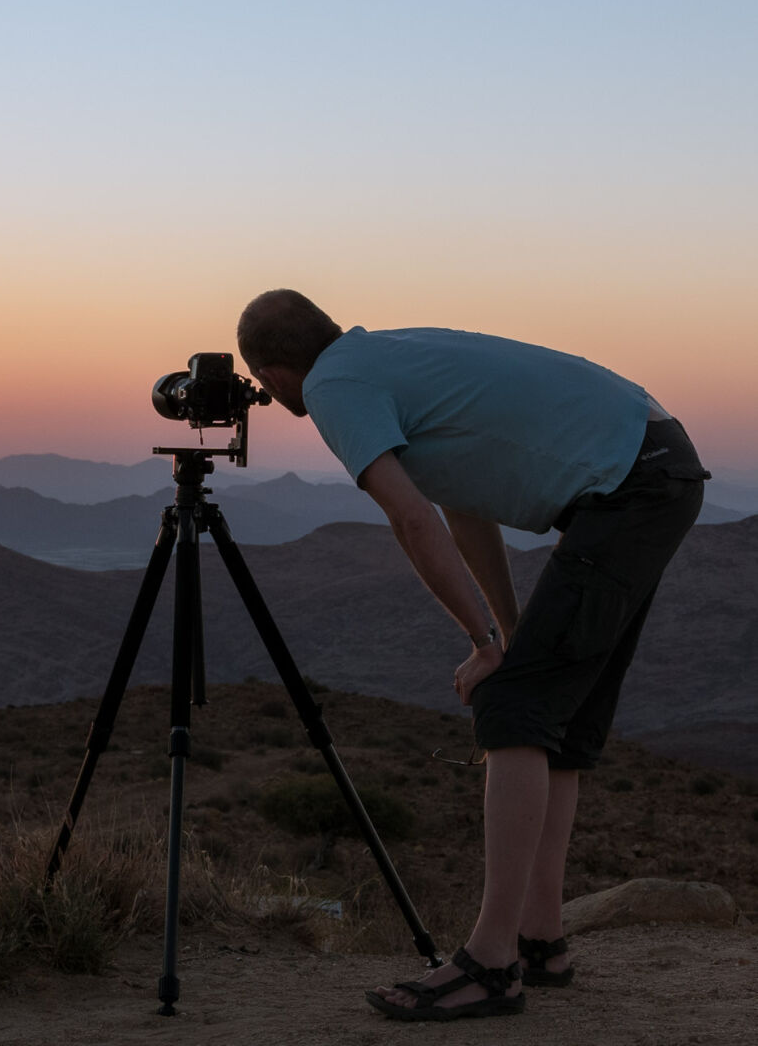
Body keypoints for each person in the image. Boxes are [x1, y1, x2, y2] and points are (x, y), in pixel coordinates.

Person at [234, 289, 709, 1022]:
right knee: (553, 715)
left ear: (271, 373)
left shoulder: (333, 384)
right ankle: (539, 940)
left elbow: (412, 520)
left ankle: (490, 965)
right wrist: (505, 634)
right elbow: (465, 504)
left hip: (630, 482)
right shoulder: (387, 356)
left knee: (513, 707)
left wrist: (484, 646)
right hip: (653, 462)